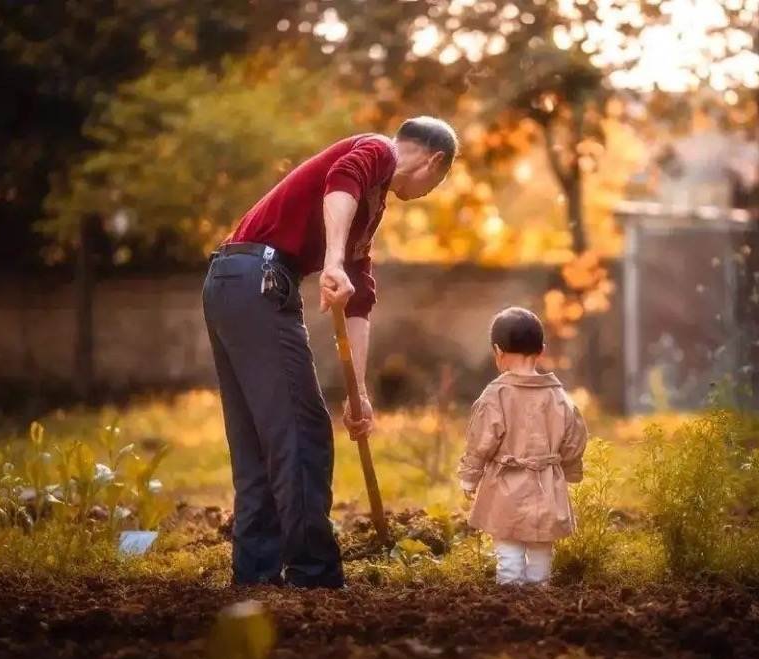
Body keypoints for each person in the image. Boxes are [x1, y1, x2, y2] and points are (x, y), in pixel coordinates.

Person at [203, 117, 458, 587]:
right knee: (303, 431)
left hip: (230, 282)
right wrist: (333, 262)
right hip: (257, 280)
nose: (426, 192)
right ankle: (314, 575)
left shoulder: (369, 210)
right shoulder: (379, 152)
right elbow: (342, 178)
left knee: (261, 440)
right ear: (434, 161)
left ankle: (256, 575)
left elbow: (359, 297)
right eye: (435, 184)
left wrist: (358, 392)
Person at [457, 307, 588, 585]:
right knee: (542, 546)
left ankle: (510, 598)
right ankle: (540, 595)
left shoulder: (496, 395)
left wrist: (469, 478)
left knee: (508, 546)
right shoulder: (560, 396)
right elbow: (574, 440)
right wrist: (570, 470)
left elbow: (481, 442)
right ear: (542, 350)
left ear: (498, 351)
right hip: (547, 486)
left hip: (505, 487)